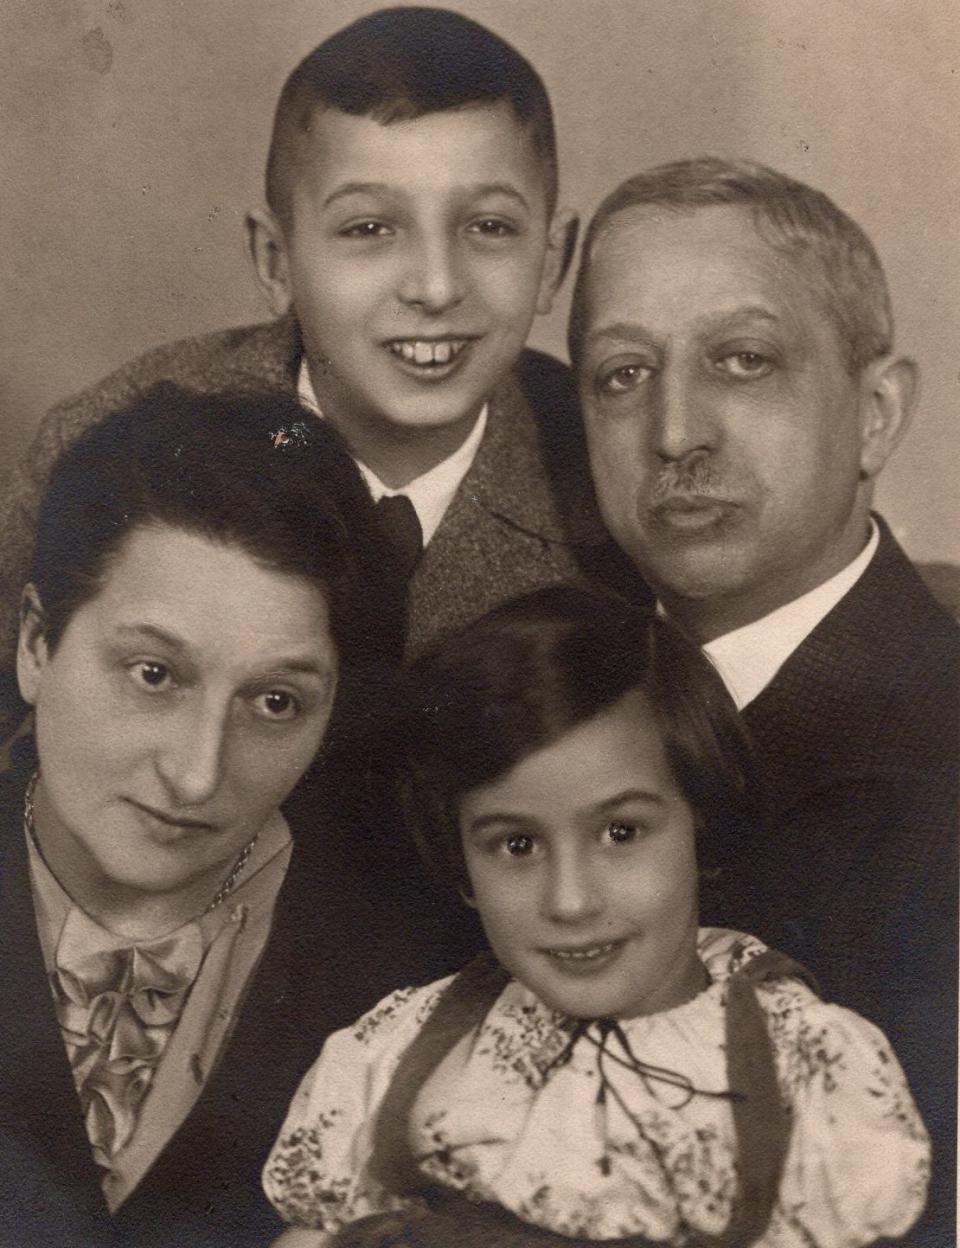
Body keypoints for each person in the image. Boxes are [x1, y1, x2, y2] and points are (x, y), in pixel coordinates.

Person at [0, 6, 639, 731]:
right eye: (369, 229)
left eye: (489, 227)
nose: (435, 287)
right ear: (277, 263)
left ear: (552, 260)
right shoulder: (108, 447)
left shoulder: (609, 479)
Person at [262, 586, 929, 1248]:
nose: (571, 902)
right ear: (459, 859)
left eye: (621, 833)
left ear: (699, 818)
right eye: (516, 846)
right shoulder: (398, 1049)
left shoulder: (806, 1066)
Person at [566, 157, 958, 1246]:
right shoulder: (556, 701)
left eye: (742, 361)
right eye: (620, 375)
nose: (675, 432)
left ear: (876, 415)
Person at [0, 385, 467, 1248]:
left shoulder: (417, 971)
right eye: (153, 675)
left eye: (277, 702)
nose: (197, 772)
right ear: (36, 644)